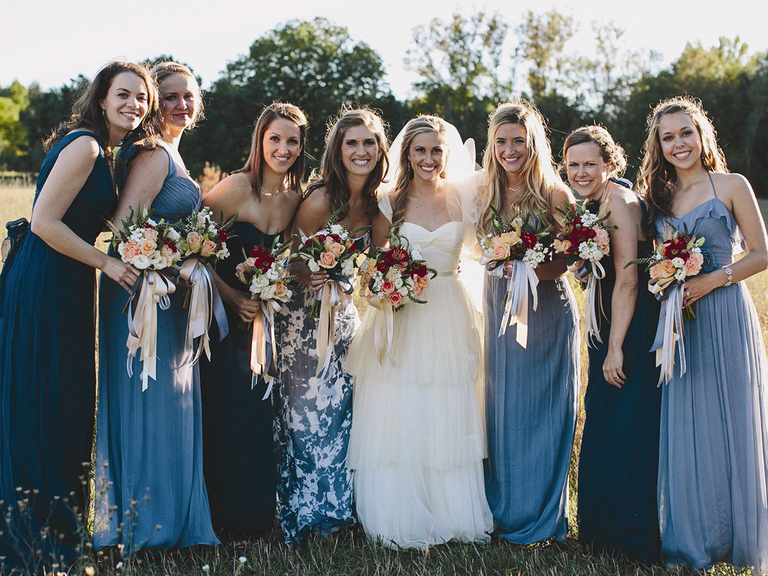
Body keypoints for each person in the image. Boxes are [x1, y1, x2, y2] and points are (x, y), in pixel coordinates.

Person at [0, 61, 153, 569]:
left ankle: (54, 523)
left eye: (142, 97)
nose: (134, 103)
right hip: (46, 278)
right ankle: (34, 534)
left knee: (63, 396)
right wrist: (106, 262)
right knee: (45, 394)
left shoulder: (107, 152)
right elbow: (43, 221)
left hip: (66, 279)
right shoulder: (85, 145)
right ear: (103, 98)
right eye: (124, 94)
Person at [345, 115, 493, 549]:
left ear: (448, 154)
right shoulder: (389, 202)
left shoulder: (467, 197)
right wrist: (390, 285)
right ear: (406, 154)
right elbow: (371, 267)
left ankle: (452, 508)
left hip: (449, 309)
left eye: (436, 150)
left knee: (448, 403)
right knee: (402, 402)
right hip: (403, 313)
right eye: (420, 150)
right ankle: (401, 510)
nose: (428, 158)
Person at [93, 61, 219, 554]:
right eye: (169, 96)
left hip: (167, 292)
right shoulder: (152, 155)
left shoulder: (173, 154)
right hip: (142, 295)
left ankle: (166, 518)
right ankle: (149, 526)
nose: (181, 105)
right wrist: (175, 258)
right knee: (149, 402)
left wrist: (193, 255)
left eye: (188, 96)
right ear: (152, 102)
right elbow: (123, 230)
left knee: (171, 402)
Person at [639, 96, 768, 572]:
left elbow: (761, 253)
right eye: (668, 137)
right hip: (681, 323)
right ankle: (693, 541)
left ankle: (741, 541)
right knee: (690, 424)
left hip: (726, 314)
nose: (678, 144)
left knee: (734, 420)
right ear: (659, 145)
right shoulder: (659, 196)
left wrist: (712, 279)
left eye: (685, 133)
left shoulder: (732, 185)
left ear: (702, 134)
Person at [273, 108, 389, 545]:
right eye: (351, 143)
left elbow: (378, 261)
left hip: (342, 316)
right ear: (337, 151)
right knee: (307, 418)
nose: (361, 151)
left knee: (342, 415)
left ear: (380, 150)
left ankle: (340, 513)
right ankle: (308, 518)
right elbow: (289, 260)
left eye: (369, 143)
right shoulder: (321, 200)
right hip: (302, 322)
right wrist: (310, 273)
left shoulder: (377, 203)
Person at [200, 102, 305, 541]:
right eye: (275, 139)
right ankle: (220, 516)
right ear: (260, 141)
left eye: (292, 141)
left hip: (265, 325)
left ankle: (255, 517)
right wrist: (230, 296)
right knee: (225, 414)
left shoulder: (296, 198)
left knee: (259, 417)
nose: (283, 148)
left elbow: (296, 257)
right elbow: (192, 251)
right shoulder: (234, 189)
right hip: (222, 323)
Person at [478, 101, 579, 544]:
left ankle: (541, 514)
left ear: (534, 143)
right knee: (503, 407)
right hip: (499, 306)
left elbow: (577, 249)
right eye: (501, 141)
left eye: (519, 140)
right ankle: (504, 507)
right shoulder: (485, 193)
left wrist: (530, 268)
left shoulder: (555, 194)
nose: (509, 149)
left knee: (543, 408)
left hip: (545, 310)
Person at [563, 126, 661, 563]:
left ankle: (627, 537)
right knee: (605, 417)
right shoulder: (595, 203)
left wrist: (617, 347)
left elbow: (629, 276)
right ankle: (600, 531)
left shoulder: (619, 202)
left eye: (590, 164)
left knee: (624, 422)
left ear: (610, 164)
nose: (581, 172)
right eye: (573, 165)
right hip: (612, 317)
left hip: (632, 325)